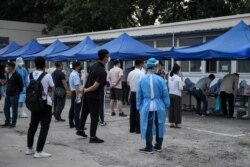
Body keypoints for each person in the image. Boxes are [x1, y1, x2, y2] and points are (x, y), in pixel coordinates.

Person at [137, 58, 170, 154]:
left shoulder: (141, 79)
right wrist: (167, 104)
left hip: (147, 106)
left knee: (148, 126)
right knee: (160, 124)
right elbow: (165, 93)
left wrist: (139, 106)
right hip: (159, 105)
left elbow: (139, 95)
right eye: (157, 66)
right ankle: (158, 146)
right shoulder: (160, 80)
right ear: (154, 67)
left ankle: (149, 147)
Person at [76, 49, 109, 143]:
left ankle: (80, 130)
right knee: (94, 117)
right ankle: (93, 137)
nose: (108, 58)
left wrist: (84, 87)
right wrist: (86, 89)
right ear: (105, 57)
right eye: (108, 56)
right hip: (94, 96)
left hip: (87, 94)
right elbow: (96, 86)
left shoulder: (93, 65)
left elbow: (86, 76)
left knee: (84, 112)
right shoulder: (102, 71)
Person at [26, 56, 54, 158]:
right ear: (45, 65)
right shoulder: (47, 76)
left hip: (34, 104)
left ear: (34, 64)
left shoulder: (30, 75)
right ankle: (39, 151)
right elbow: (52, 88)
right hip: (45, 104)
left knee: (32, 126)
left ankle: (29, 148)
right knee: (44, 127)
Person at [0, 61, 23, 128]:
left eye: (8, 66)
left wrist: (17, 92)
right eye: (7, 66)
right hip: (8, 94)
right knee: (5, 108)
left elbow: (21, 85)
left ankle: (13, 123)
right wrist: (2, 83)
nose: (7, 68)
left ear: (12, 67)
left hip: (15, 95)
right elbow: (7, 82)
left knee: (14, 109)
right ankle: (7, 122)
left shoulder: (17, 75)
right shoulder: (7, 74)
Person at [127, 60, 145, 134]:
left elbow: (128, 83)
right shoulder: (142, 73)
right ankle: (138, 129)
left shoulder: (130, 72)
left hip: (132, 92)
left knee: (132, 112)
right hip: (139, 93)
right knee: (139, 112)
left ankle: (132, 128)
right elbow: (144, 84)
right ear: (141, 64)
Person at [168, 64, 183, 128]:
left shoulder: (170, 77)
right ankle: (177, 123)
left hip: (170, 93)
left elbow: (168, 86)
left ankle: (171, 123)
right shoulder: (178, 78)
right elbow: (181, 88)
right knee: (177, 109)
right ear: (177, 70)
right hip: (177, 95)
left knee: (171, 109)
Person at [68, 61, 83, 129]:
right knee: (77, 109)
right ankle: (78, 125)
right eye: (80, 65)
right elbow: (76, 86)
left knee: (72, 108)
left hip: (73, 92)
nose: (81, 66)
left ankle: (71, 123)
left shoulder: (72, 73)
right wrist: (78, 96)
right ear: (77, 66)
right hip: (77, 92)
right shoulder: (75, 75)